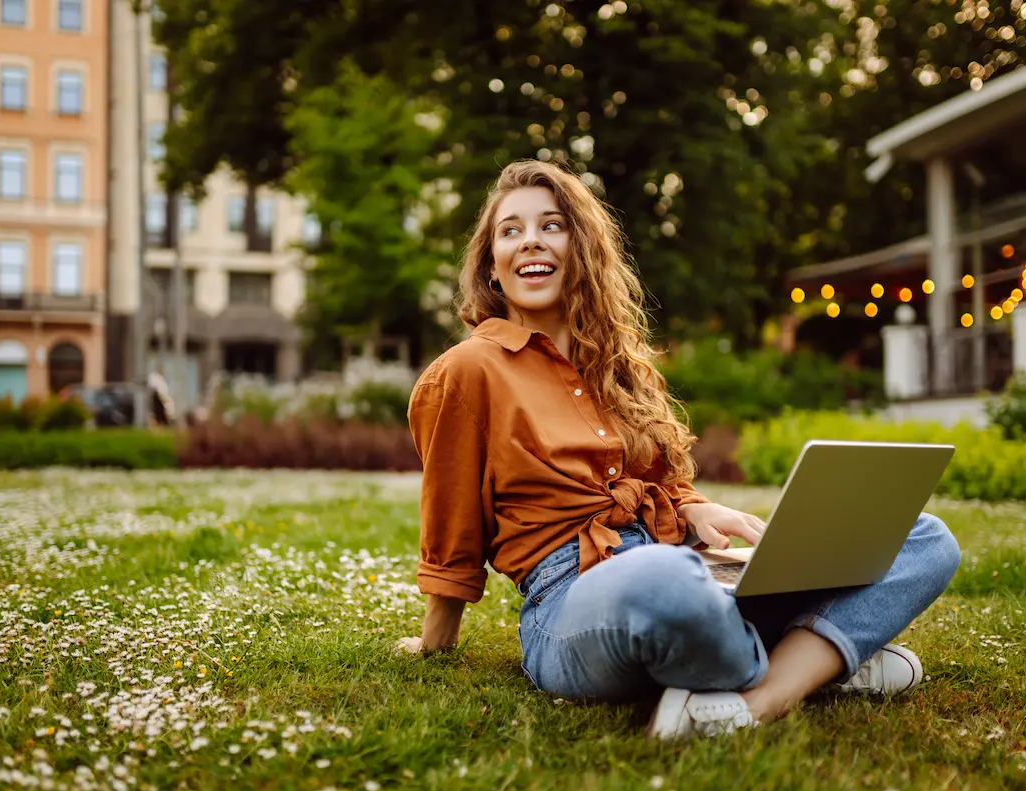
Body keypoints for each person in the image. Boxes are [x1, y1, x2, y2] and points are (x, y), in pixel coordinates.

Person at [399, 160, 961, 740]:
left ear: (583, 247)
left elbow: (662, 479)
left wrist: (693, 508)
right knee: (664, 579)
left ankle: (762, 698)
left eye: (552, 225)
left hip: (688, 573)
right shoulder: (466, 371)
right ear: (491, 265)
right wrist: (435, 640)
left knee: (923, 537)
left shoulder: (619, 365)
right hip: (573, 603)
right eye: (509, 231)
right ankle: (822, 658)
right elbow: (451, 518)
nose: (530, 241)